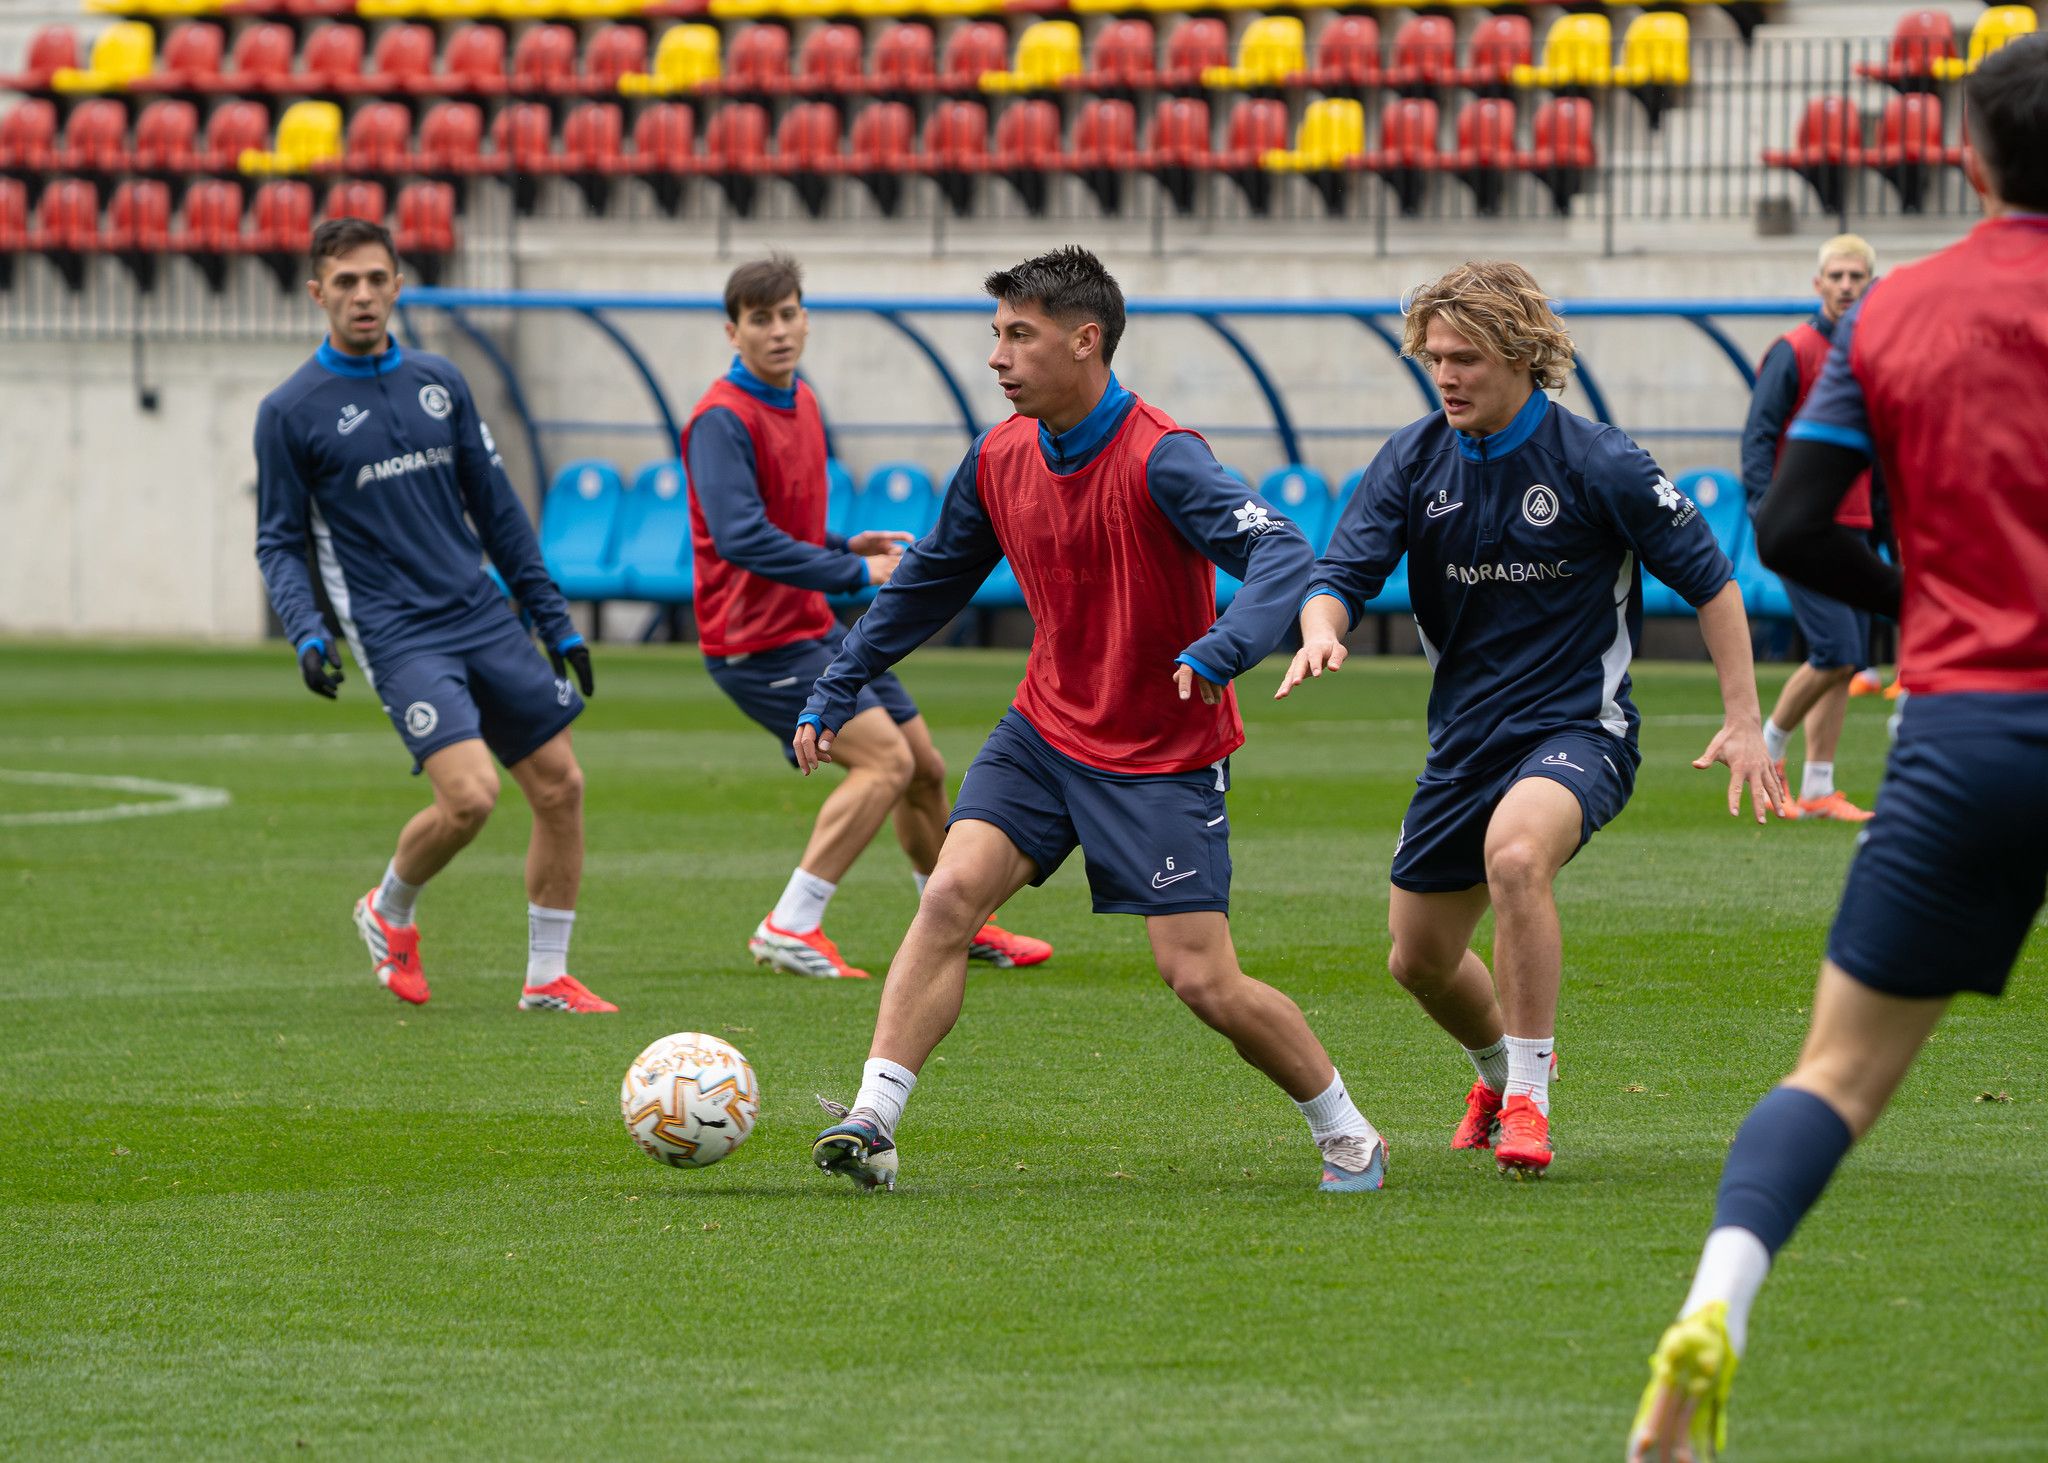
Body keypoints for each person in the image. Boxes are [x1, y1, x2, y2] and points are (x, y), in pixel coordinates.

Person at [1629, 39, 2048, 1461]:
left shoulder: (1895, 313)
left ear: (1972, 160)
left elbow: (1799, 526)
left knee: (1837, 1074)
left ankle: (1711, 1314)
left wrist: (1927, 599)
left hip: (1966, 727)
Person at [796, 246, 1388, 1193]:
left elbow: (1283, 553)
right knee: (949, 895)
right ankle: (875, 1117)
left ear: (1086, 339)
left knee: (1199, 977)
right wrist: (840, 680)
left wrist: (1219, 648)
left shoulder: (1165, 455)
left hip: (1162, 751)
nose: (997, 357)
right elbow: (930, 580)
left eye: (1018, 336)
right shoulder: (997, 455)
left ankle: (1347, 1128)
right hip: (1043, 729)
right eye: (995, 335)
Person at [1277, 261, 1783, 1178]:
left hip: (1580, 729)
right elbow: (1338, 577)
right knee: (1419, 960)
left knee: (1516, 858)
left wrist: (1744, 718)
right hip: (1464, 741)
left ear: (1521, 356)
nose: (1447, 376)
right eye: (1434, 358)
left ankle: (1529, 1099)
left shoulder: (1600, 461)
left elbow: (1712, 580)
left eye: (1466, 357)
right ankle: (1490, 1069)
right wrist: (1322, 629)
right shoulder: (1413, 458)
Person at [254, 218, 614, 1014]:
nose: (362, 295)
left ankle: (547, 977)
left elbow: (498, 509)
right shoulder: (290, 411)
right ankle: (388, 909)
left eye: (376, 279)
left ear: (396, 285)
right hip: (396, 632)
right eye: (344, 282)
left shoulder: (439, 380)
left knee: (561, 785)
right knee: (471, 798)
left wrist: (555, 619)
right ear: (317, 293)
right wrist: (307, 629)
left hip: (481, 612)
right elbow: (279, 541)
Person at [683, 254, 1051, 980]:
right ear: (734, 331)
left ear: (805, 319)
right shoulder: (720, 419)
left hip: (810, 626)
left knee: (925, 769)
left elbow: (780, 525)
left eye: (788, 313)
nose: (779, 330)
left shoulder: (804, 401)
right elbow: (739, 536)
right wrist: (856, 571)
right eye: (761, 320)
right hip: (753, 642)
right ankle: (791, 923)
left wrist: (844, 543)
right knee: (884, 762)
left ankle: (956, 921)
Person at [1740, 234, 1883, 822]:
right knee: (1835, 649)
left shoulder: (1871, 352)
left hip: (1854, 526)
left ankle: (1819, 786)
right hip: (1802, 531)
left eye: (1857, 276)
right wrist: (1767, 516)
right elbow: (1758, 439)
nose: (1847, 286)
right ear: (1817, 284)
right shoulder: (1793, 350)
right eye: (1837, 276)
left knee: (1848, 659)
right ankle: (1769, 747)